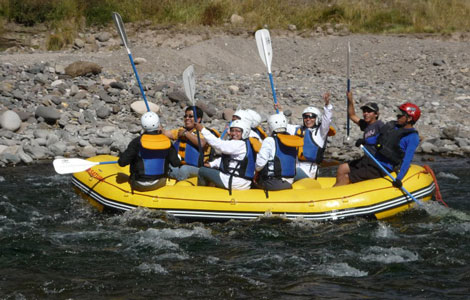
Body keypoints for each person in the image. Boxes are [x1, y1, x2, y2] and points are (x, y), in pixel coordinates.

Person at [334, 102, 421, 186]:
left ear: (409, 118)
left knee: (346, 177)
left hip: (382, 167)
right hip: (373, 159)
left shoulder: (412, 137)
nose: (397, 116)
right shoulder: (393, 126)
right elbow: (378, 138)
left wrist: (399, 178)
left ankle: (334, 196)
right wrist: (365, 141)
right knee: (342, 168)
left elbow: (407, 160)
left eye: (401, 114)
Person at [118, 112, 181, 191]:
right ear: (158, 125)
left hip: (139, 184)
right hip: (159, 183)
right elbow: (176, 163)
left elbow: (122, 162)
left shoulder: (136, 142)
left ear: (142, 125)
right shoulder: (167, 141)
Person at [334, 92, 384, 186]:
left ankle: (336, 193)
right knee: (342, 168)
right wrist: (350, 100)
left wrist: (365, 141)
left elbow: (384, 139)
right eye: (364, 111)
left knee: (346, 177)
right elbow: (352, 116)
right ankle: (337, 189)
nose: (365, 114)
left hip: (375, 162)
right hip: (366, 159)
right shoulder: (366, 125)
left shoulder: (380, 126)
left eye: (369, 112)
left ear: (376, 114)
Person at [280, 92, 333, 180]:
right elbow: (283, 125)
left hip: (308, 172)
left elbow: (327, 120)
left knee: (288, 173)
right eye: (305, 117)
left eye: (311, 117)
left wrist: (327, 105)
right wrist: (280, 112)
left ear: (317, 119)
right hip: (295, 167)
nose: (308, 119)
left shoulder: (320, 133)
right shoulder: (297, 129)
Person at [195, 120, 255, 193]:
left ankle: (200, 194)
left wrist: (202, 130)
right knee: (211, 170)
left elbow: (219, 145)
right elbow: (227, 159)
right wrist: (211, 164)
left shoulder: (239, 145)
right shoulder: (243, 143)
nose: (234, 133)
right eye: (232, 130)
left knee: (202, 171)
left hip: (235, 182)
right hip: (240, 180)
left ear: (244, 132)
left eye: (237, 131)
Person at [255, 113, 303, 191]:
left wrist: (255, 172)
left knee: (252, 182)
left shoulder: (269, 140)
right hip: (290, 181)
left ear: (271, 126)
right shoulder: (291, 139)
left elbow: (260, 164)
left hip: (274, 182)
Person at [162, 106, 209, 180]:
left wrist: (186, 134)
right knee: (165, 164)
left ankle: (179, 186)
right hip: (179, 165)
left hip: (197, 168)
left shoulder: (203, 132)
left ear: (198, 119)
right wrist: (157, 127)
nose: (187, 118)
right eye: (185, 116)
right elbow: (165, 133)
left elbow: (202, 143)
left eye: (190, 116)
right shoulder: (180, 131)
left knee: (184, 169)